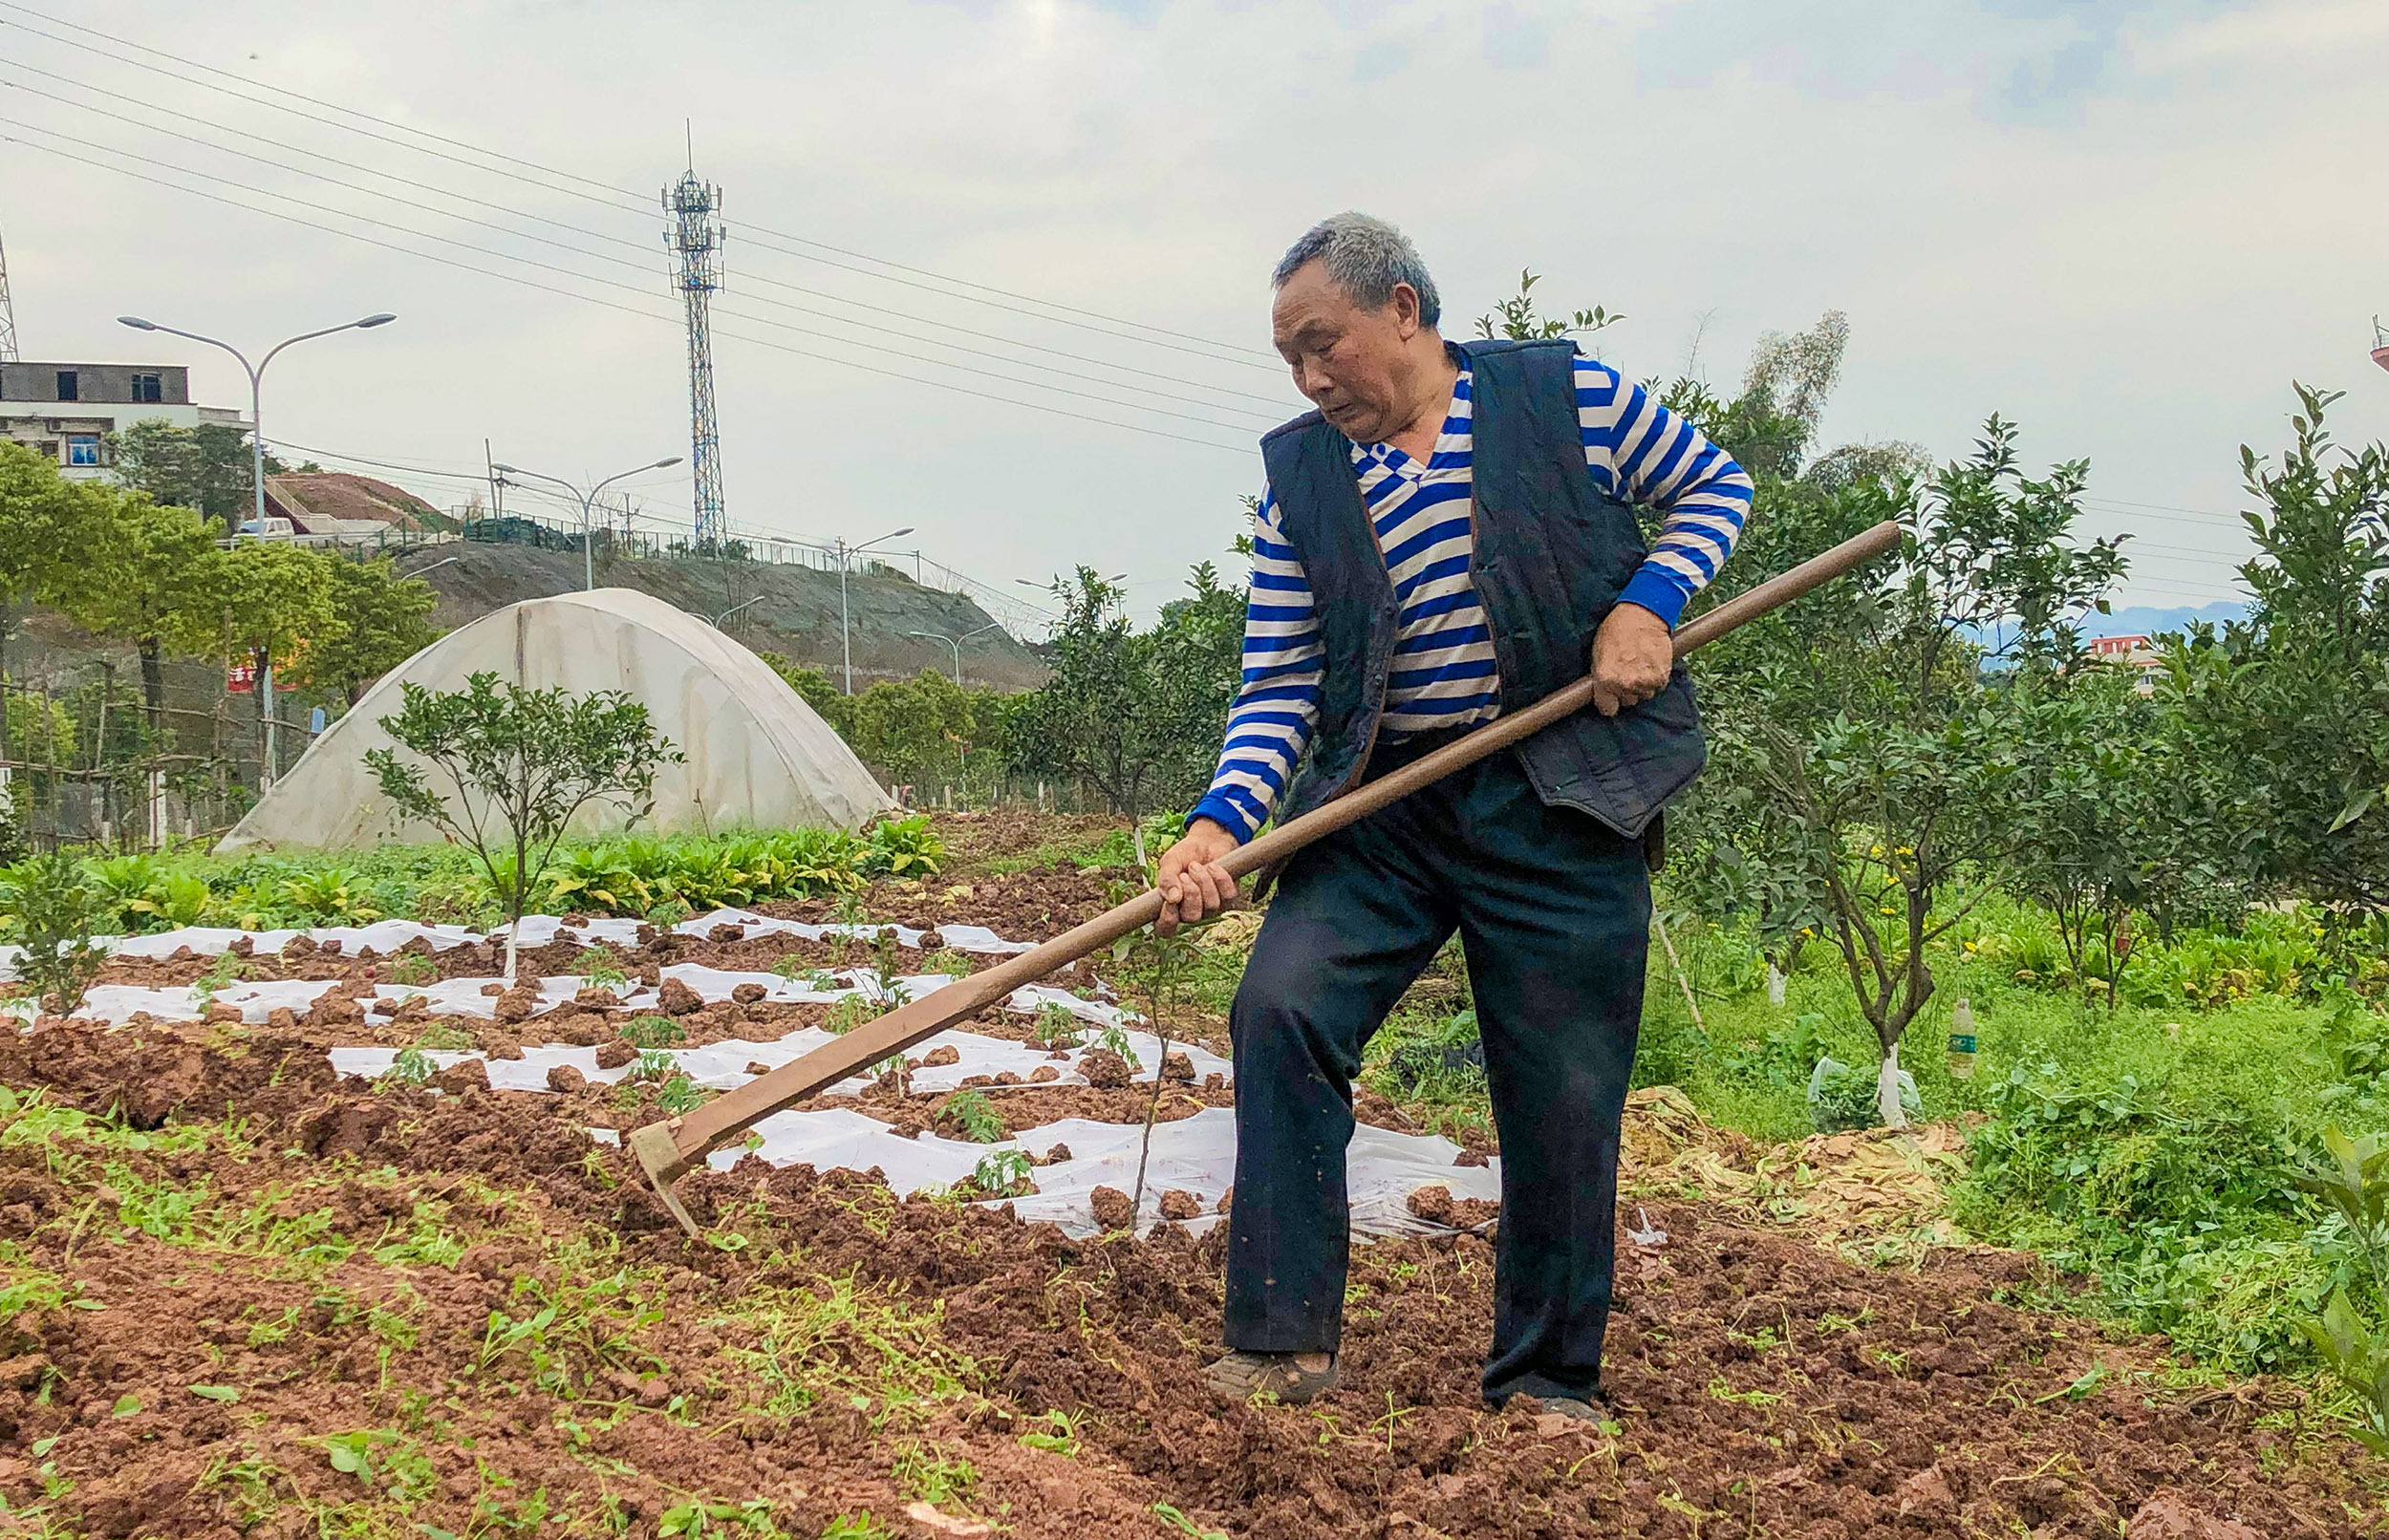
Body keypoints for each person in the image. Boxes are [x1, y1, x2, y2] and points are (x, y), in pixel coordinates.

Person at [1155, 213, 1752, 1416]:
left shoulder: (1560, 394)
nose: (1312, 380)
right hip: (1385, 805)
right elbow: (1279, 678)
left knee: (1562, 1083)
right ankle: (1280, 1342)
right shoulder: (1301, 483)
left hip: (1560, 791)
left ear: (1404, 312)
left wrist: (1646, 604)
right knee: (1281, 1006)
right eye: (1289, 362)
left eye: (1325, 346)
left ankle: (1545, 1378)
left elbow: (1712, 485)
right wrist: (1221, 819)